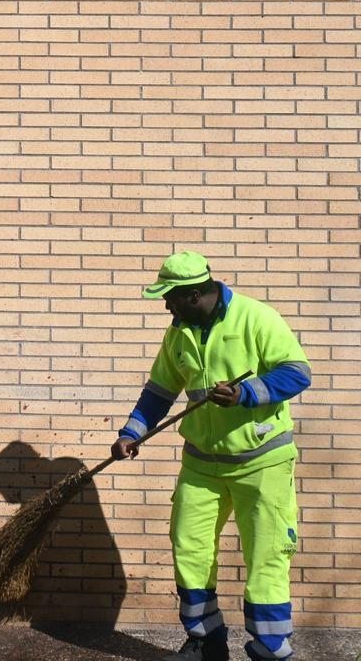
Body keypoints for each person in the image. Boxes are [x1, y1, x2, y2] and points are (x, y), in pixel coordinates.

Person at [111, 251, 310, 661]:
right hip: (202, 465)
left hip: (262, 462)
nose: (166, 306)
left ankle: (271, 649)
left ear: (195, 294)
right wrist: (131, 433)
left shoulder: (257, 318)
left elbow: (297, 372)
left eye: (170, 297)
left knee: (267, 557)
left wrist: (245, 393)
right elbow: (159, 392)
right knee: (190, 550)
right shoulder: (178, 334)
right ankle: (206, 643)